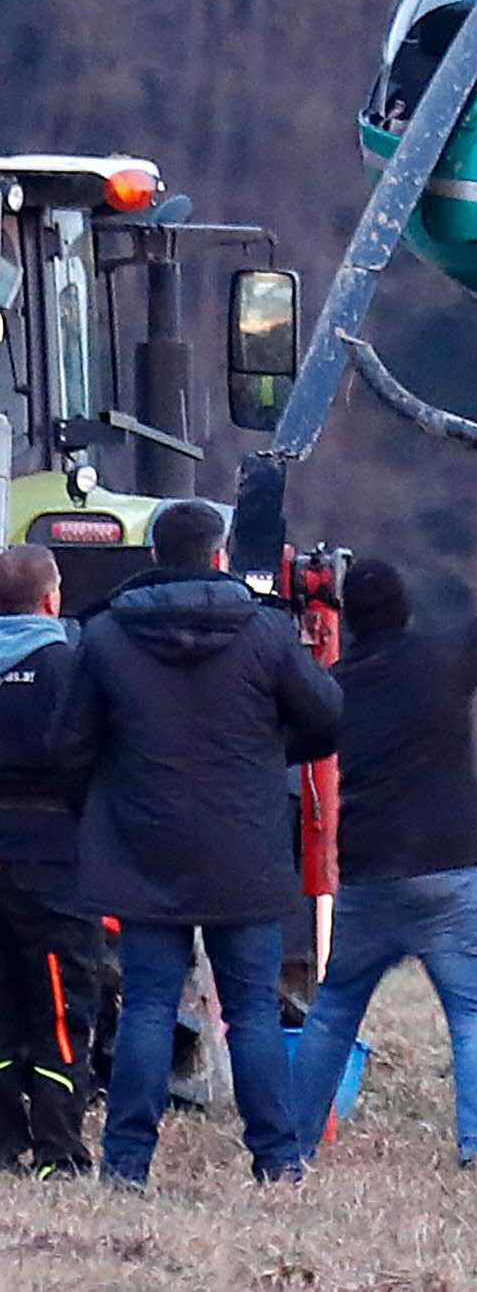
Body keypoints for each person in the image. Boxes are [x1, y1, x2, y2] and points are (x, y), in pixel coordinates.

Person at [286, 484, 477, 1168]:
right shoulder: (445, 661)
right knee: (475, 1019)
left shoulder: (335, 689)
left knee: (333, 1015)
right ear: (405, 610)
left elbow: (287, 740)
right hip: (448, 870)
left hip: (369, 878)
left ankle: (292, 1149)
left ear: (350, 620)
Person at [46, 499, 341, 1187]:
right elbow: (327, 717)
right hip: (244, 846)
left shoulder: (107, 637)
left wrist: (103, 804)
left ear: (154, 554)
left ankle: (127, 1166)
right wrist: (268, 757)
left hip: (142, 845)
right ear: (219, 556)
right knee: (253, 1011)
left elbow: (68, 746)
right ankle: (278, 1161)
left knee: (148, 1007)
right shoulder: (266, 633)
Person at [0, 546, 101, 1176]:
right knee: (63, 1010)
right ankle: (59, 1153)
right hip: (53, 863)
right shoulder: (70, 670)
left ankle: (3, 1145)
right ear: (50, 600)